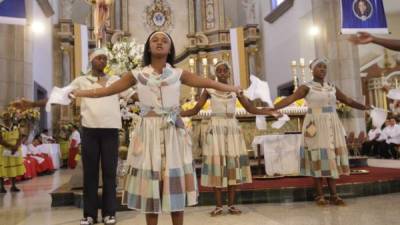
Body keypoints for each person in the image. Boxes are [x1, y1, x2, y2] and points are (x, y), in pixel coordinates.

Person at [72, 31, 242, 225]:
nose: (159, 43)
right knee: (150, 192)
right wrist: (79, 92)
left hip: (172, 134)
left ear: (170, 49)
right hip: (148, 134)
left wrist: (232, 88)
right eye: (155, 40)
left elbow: (208, 83)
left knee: (175, 188)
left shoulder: (179, 74)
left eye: (164, 41)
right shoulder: (137, 74)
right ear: (148, 47)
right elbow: (106, 91)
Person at [13, 48, 136, 225]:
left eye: (104, 58)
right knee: (90, 174)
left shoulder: (115, 80)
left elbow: (133, 95)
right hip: (90, 131)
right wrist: (33, 103)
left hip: (110, 131)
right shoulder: (81, 81)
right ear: (91, 61)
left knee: (110, 173)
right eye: (98, 58)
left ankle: (110, 213)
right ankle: (90, 215)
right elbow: (59, 96)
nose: (102, 61)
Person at [181, 61, 280, 216]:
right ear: (215, 73)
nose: (221, 73)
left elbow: (250, 108)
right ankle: (219, 205)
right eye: (218, 70)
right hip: (216, 129)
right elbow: (195, 109)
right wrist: (176, 113)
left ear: (229, 73)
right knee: (217, 166)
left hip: (232, 129)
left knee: (232, 166)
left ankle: (232, 205)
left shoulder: (236, 91)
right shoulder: (208, 90)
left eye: (224, 70)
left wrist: (270, 111)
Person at [273, 58, 371, 206]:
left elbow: (347, 100)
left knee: (330, 157)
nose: (322, 69)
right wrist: (272, 108)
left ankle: (334, 195)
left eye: (324, 67)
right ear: (312, 69)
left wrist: (363, 107)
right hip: (315, 124)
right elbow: (290, 99)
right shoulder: (306, 87)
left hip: (332, 123)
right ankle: (319, 195)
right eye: (319, 67)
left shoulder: (332, 87)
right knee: (318, 157)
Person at [0, 112, 26, 193]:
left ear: (10, 117)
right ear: (2, 118)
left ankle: (13, 186)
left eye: (7, 117)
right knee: (3, 168)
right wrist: (11, 147)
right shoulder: (0, 127)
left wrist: (16, 146)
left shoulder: (16, 125)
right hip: (4, 149)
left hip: (15, 149)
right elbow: (0, 140)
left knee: (14, 167)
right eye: (4, 117)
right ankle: (2, 187)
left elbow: (20, 137)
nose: (6, 118)